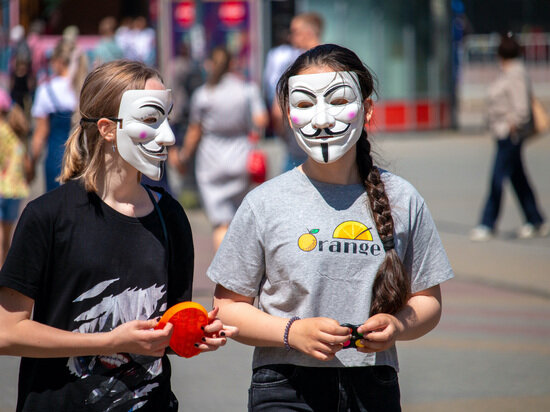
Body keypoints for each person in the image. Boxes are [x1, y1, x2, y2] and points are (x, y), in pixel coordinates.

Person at [208, 44, 454, 411]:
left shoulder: (402, 198)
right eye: (305, 105)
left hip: (372, 385)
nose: (322, 119)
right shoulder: (265, 202)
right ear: (289, 114)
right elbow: (226, 308)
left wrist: (398, 326)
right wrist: (292, 333)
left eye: (338, 101)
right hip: (285, 385)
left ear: (367, 108)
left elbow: (427, 300)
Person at [0, 60, 237, 411]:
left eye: (167, 118)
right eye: (151, 120)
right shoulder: (48, 216)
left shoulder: (169, 216)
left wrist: (194, 334)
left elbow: (163, 335)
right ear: (108, 129)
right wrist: (108, 341)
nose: (169, 135)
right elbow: (7, 332)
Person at [177, 46, 268, 251]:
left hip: (210, 160)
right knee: (238, 220)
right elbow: (261, 120)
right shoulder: (247, 89)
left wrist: (183, 157)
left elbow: (194, 132)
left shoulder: (203, 94)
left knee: (220, 224)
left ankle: (225, 274)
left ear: (210, 65)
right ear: (232, 64)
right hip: (240, 156)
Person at [470, 33, 548, 241]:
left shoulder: (515, 74)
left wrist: (512, 126)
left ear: (501, 54)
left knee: (497, 179)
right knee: (518, 178)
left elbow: (522, 108)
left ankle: (487, 222)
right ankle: (536, 219)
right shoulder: (509, 72)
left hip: (509, 136)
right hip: (504, 134)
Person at [265, 12, 324, 171]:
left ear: (308, 32)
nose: (291, 37)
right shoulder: (334, 60)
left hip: (299, 148)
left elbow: (277, 113)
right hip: (332, 146)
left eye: (294, 31)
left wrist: (285, 137)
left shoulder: (296, 65)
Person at [28, 38, 84, 192]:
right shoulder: (84, 87)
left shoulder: (47, 90)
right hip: (84, 159)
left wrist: (32, 164)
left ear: (58, 61)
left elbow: (40, 134)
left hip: (57, 160)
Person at [0, 89, 30, 266]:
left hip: (2, 188)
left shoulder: (2, 132)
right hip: (16, 190)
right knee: (7, 237)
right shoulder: (17, 133)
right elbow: (26, 164)